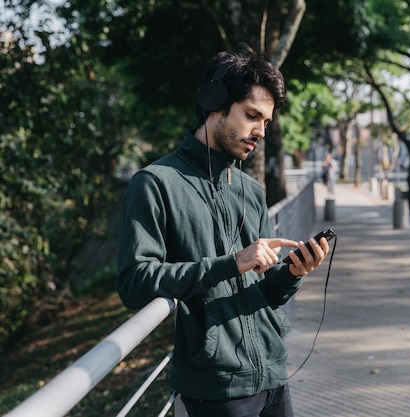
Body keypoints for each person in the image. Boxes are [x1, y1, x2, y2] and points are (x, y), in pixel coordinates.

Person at [116, 46, 330, 417]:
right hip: (215, 389)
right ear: (214, 103)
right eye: (252, 116)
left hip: (274, 376)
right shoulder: (155, 183)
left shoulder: (251, 191)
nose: (260, 131)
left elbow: (267, 292)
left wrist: (293, 272)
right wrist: (232, 263)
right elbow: (135, 282)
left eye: (266, 121)